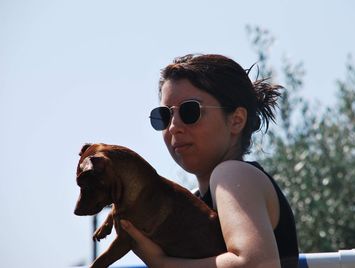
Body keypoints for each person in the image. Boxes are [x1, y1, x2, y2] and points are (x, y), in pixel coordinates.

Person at [120, 54, 299, 268]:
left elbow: (253, 264)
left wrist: (163, 264)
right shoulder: (199, 198)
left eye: (190, 111)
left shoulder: (232, 174)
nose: (173, 126)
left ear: (236, 121)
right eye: (164, 116)